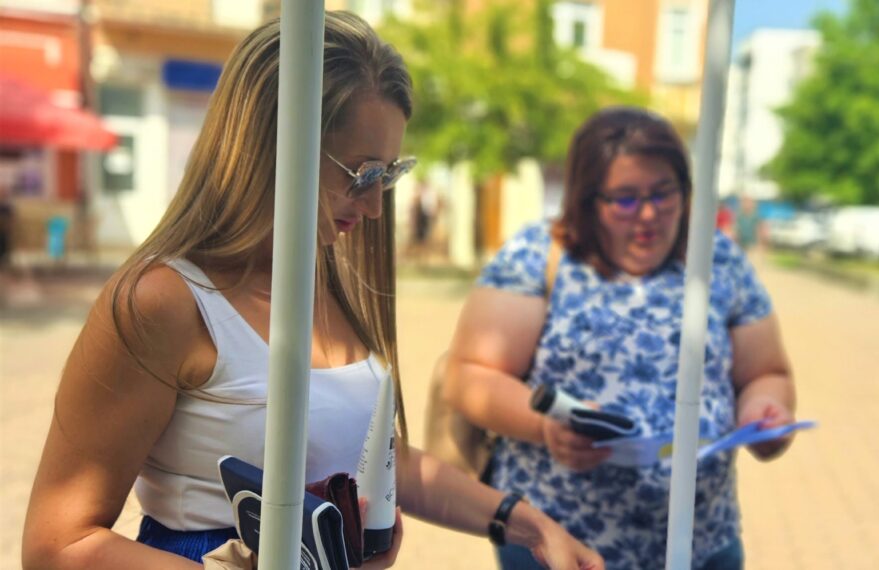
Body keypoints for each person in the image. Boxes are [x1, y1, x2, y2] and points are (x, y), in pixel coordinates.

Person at [21, 11, 602, 570]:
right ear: (270, 148)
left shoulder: (323, 283)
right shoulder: (164, 301)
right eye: (362, 174)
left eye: (388, 176)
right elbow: (58, 543)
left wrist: (529, 523)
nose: (375, 208)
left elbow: (376, 458)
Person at [443, 106, 798, 569]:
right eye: (625, 199)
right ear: (587, 200)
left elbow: (766, 372)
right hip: (557, 545)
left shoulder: (717, 258)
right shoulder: (537, 255)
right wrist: (545, 428)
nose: (648, 214)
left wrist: (763, 411)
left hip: (702, 542)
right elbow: (470, 376)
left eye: (663, 193)